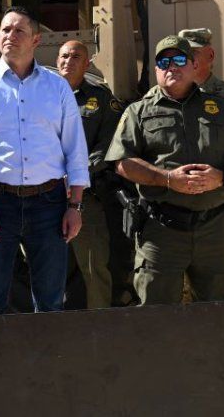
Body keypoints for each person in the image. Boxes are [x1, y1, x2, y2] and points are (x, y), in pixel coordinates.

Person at [0, 6, 89, 313]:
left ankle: (46, 361)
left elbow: (75, 149)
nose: (9, 36)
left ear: (36, 40)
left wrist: (74, 206)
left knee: (51, 300)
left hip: (49, 205)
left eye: (19, 31)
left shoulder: (58, 88)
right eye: (4, 30)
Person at [106, 35, 224, 306]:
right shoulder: (138, 112)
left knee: (217, 313)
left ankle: (211, 352)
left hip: (212, 229)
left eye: (179, 60)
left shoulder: (223, 109)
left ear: (193, 66)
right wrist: (167, 179)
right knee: (157, 315)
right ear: (155, 69)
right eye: (163, 61)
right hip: (161, 231)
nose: (171, 67)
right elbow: (122, 162)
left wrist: (221, 177)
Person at [179, 27, 224, 301]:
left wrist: (219, 179)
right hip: (179, 203)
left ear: (210, 55)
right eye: (183, 54)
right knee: (181, 281)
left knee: (222, 275)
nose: (188, 60)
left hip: (220, 203)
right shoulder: (167, 94)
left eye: (194, 53)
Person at [56, 40, 124, 309]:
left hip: (85, 197)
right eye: (63, 56)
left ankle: (99, 325)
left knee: (94, 266)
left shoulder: (102, 99)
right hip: (45, 195)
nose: (67, 61)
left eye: (75, 57)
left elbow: (108, 144)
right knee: (48, 267)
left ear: (87, 64)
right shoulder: (40, 96)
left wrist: (75, 177)